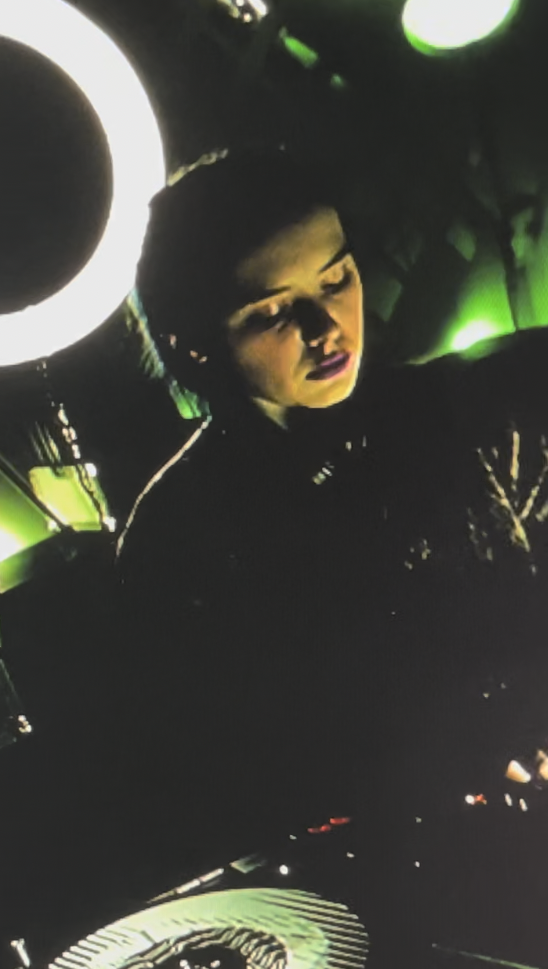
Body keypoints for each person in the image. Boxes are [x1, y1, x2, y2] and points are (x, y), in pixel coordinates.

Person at [113, 147, 548, 967]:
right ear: (193, 343)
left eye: (337, 278)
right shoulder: (175, 537)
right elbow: (216, 782)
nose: (328, 327)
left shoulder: (479, 418)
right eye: (274, 311)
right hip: (365, 911)